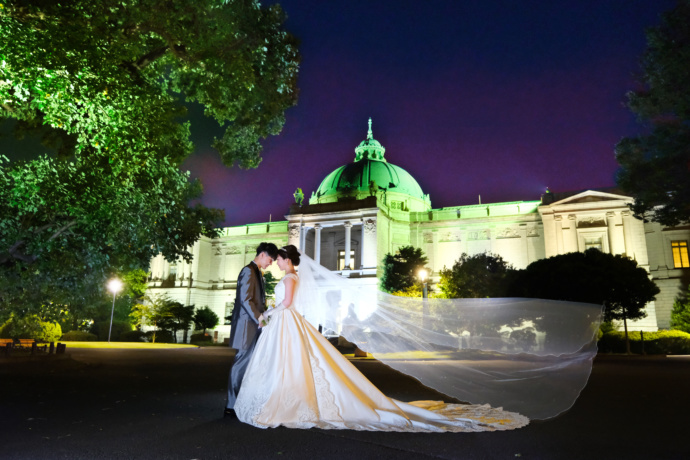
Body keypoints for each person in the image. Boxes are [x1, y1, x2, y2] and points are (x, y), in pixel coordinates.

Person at [233, 245, 530, 432]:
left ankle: (283, 398)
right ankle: (287, 395)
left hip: (284, 321)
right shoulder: (292, 277)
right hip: (287, 324)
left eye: (279, 260)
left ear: (286, 260)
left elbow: (286, 304)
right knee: (296, 363)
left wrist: (269, 312)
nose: (276, 264)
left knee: (290, 363)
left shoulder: (289, 278)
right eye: (275, 260)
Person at [225, 242, 278, 418]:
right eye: (270, 259)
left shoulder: (258, 273)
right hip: (246, 324)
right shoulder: (248, 271)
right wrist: (259, 317)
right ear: (262, 255)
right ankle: (231, 406)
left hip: (252, 324)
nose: (271, 263)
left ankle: (239, 402)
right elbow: (245, 299)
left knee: (246, 364)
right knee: (240, 363)